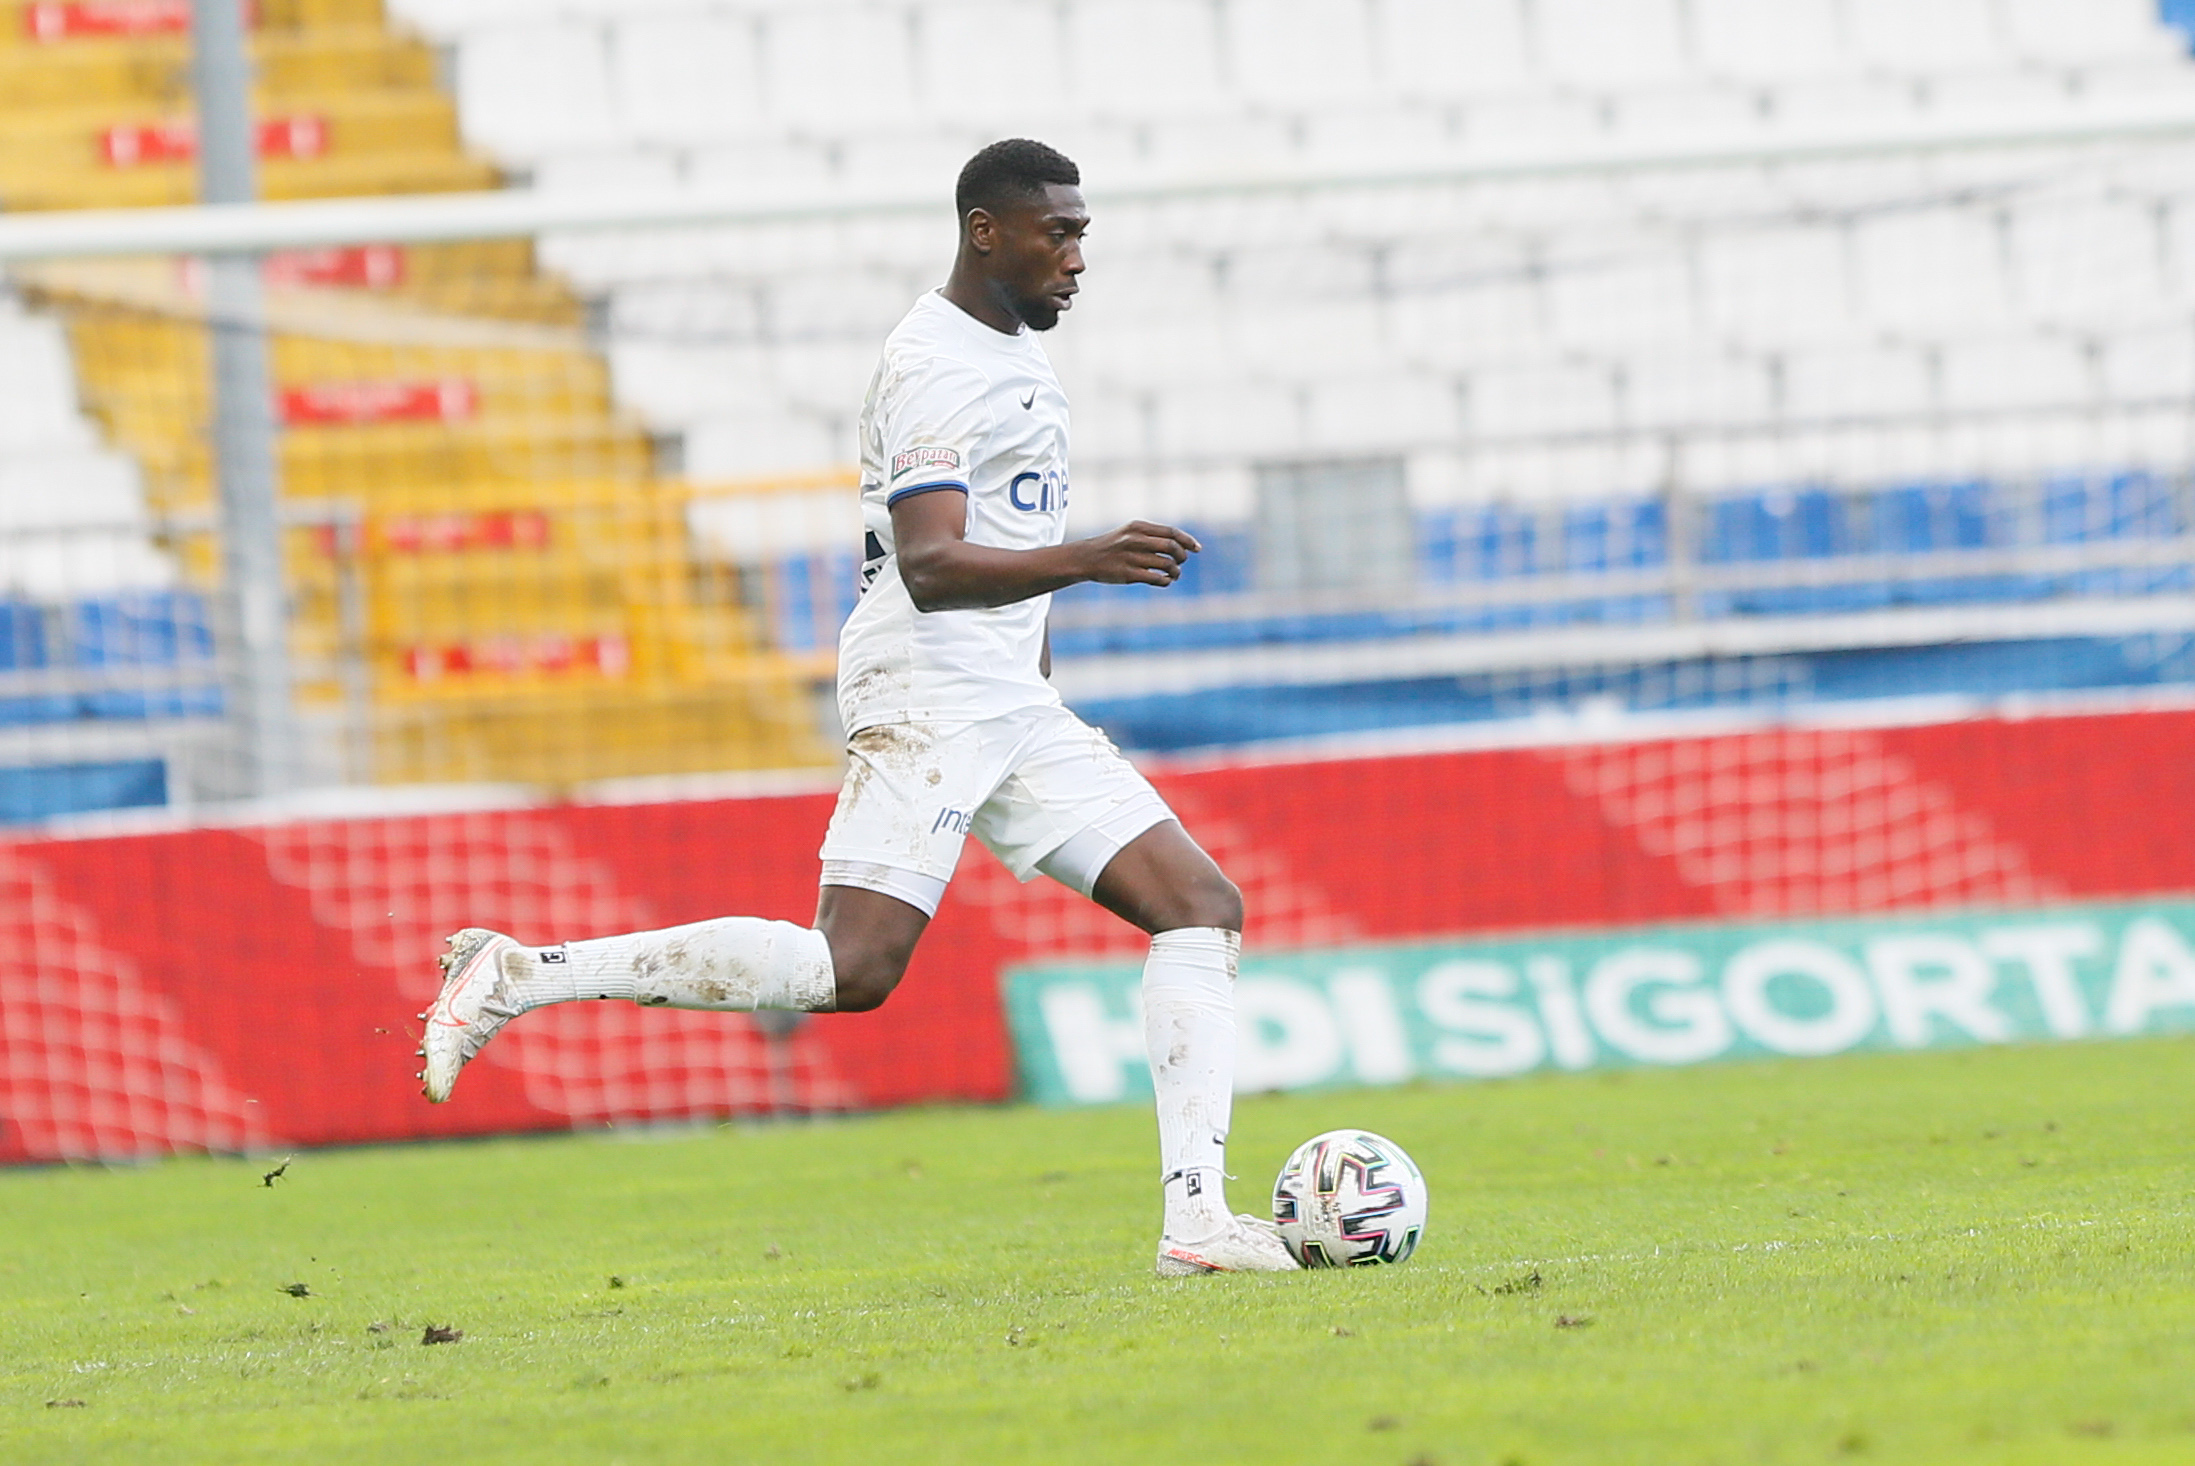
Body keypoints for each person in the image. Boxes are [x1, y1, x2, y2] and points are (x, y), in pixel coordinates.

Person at [416, 138, 1297, 1276]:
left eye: (1083, 234)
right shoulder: (932, 363)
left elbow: (1004, 529)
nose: (1078, 258)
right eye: (1059, 234)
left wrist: (1036, 659)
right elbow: (930, 562)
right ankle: (522, 975)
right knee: (850, 969)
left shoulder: (1013, 350)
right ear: (986, 230)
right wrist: (1088, 558)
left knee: (1199, 906)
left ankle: (1197, 1224)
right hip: (928, 686)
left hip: (1009, 700)